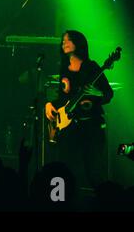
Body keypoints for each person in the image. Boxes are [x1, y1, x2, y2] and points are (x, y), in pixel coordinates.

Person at [45, 30, 113, 190]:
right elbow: (64, 98)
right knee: (66, 168)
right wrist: (50, 104)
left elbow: (108, 94)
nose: (64, 43)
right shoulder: (64, 68)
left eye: (68, 40)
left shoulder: (92, 67)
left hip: (91, 126)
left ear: (78, 43)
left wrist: (98, 93)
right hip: (70, 127)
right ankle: (63, 202)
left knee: (93, 171)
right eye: (63, 41)